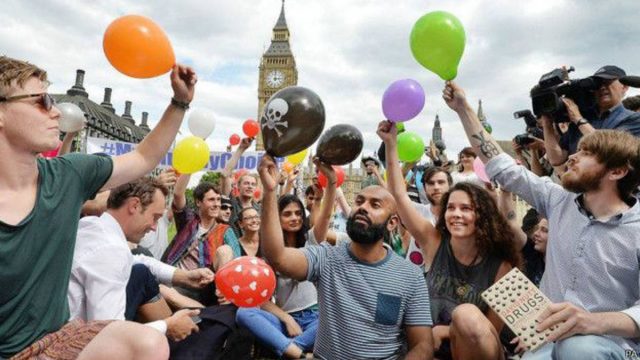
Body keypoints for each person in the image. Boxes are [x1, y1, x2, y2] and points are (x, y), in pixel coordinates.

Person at [0, 55, 196, 359]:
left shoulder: (68, 175)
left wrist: (179, 103)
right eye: (41, 101)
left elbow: (144, 158)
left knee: (147, 342)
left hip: (55, 341)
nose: (56, 112)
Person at [443, 80, 640, 359]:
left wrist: (592, 322)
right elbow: (501, 166)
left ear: (617, 171)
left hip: (609, 345)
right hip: (546, 342)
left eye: (586, 154)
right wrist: (464, 110)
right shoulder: (559, 201)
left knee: (579, 347)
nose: (572, 158)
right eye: (577, 150)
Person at [258, 154, 434, 360]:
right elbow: (278, 257)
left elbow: (422, 345)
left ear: (392, 223)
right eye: (359, 201)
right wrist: (270, 192)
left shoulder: (409, 276)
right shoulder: (326, 258)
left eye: (375, 205)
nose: (362, 207)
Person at [379, 121, 521, 360]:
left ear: (482, 215)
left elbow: (488, 333)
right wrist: (391, 144)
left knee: (466, 315)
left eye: (466, 208)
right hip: (430, 349)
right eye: (451, 208)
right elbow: (399, 196)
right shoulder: (435, 243)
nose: (456, 214)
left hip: (474, 352)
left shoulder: (502, 266)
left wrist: (446, 331)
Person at [68, 177, 214, 342]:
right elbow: (106, 334)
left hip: (77, 326)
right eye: (155, 217)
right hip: (76, 344)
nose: (154, 227)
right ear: (134, 206)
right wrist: (166, 326)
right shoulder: (110, 250)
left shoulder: (93, 225)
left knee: (140, 272)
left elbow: (138, 260)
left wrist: (183, 276)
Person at [544, 65, 640, 165]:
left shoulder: (633, 119)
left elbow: (610, 150)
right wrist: (547, 122)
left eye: (607, 82)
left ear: (624, 87)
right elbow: (556, 159)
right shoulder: (582, 120)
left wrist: (578, 119)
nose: (602, 87)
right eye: (597, 84)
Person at [163, 176, 240, 273]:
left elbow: (237, 262)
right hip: (177, 279)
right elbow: (178, 194)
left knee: (226, 251)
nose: (217, 204)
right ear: (198, 202)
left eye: (218, 199)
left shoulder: (225, 230)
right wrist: (191, 165)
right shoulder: (188, 221)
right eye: (211, 200)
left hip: (205, 283)